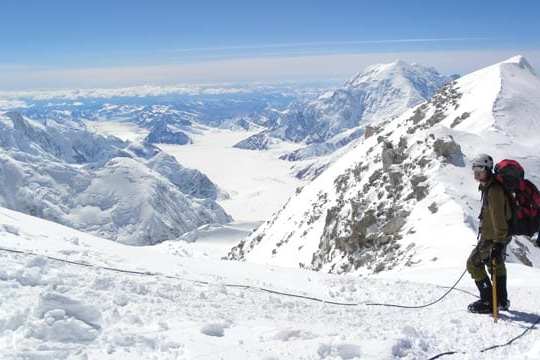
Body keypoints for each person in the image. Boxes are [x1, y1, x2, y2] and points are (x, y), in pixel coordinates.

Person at [466, 154, 511, 313]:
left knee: (473, 264)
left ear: (487, 169)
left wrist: (498, 243)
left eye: (479, 169)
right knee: (496, 266)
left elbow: (498, 217)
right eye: (474, 169)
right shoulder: (490, 187)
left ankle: (489, 300)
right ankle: (501, 300)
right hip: (495, 237)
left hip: (493, 238)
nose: (476, 173)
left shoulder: (493, 191)